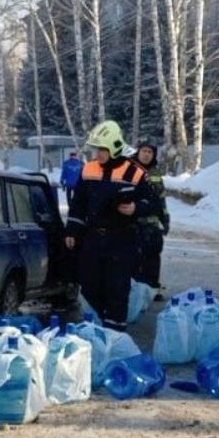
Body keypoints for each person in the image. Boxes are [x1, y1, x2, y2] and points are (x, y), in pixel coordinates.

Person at [65, 120, 157, 331]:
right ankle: (105, 316)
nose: (99, 154)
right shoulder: (88, 169)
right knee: (88, 282)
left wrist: (135, 208)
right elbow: (78, 203)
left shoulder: (135, 172)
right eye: (96, 149)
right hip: (93, 236)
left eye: (103, 149)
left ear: (115, 147)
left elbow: (153, 204)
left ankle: (115, 330)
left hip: (122, 238)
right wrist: (72, 230)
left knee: (117, 286)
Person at [132, 139, 170, 300]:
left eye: (150, 152)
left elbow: (161, 198)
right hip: (134, 222)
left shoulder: (155, 173)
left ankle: (153, 289)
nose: (147, 155)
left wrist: (165, 219)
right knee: (135, 258)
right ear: (138, 152)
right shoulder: (130, 169)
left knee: (153, 256)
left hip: (152, 223)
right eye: (144, 151)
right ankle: (136, 289)